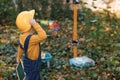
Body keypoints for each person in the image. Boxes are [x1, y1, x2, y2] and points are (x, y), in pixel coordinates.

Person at [16, 10, 47, 80]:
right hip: (33, 64)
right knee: (32, 77)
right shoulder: (32, 39)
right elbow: (43, 35)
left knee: (34, 76)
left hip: (27, 61)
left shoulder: (22, 36)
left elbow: (20, 48)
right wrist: (35, 24)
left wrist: (18, 58)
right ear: (30, 26)